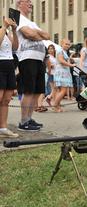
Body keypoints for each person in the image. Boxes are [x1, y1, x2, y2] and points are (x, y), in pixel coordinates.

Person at [16, 0, 50, 131]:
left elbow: (47, 35)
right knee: (29, 90)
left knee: (37, 91)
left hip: (39, 58)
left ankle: (29, 119)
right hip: (27, 57)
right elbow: (28, 34)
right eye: (27, 1)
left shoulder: (32, 23)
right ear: (20, 3)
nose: (30, 3)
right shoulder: (17, 17)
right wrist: (37, 34)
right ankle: (23, 121)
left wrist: (36, 35)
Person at [0, 17, 19, 138]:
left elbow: (15, 47)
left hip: (9, 65)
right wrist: (5, 27)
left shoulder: (6, 32)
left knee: (6, 99)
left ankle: (3, 128)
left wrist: (14, 30)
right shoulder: (2, 30)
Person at [52, 39, 76, 112]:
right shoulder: (60, 50)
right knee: (63, 91)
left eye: (68, 44)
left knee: (60, 90)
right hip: (62, 72)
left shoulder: (64, 52)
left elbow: (65, 60)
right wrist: (71, 65)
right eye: (66, 44)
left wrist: (70, 60)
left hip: (65, 72)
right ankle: (55, 105)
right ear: (61, 44)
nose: (67, 46)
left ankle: (57, 106)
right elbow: (61, 61)